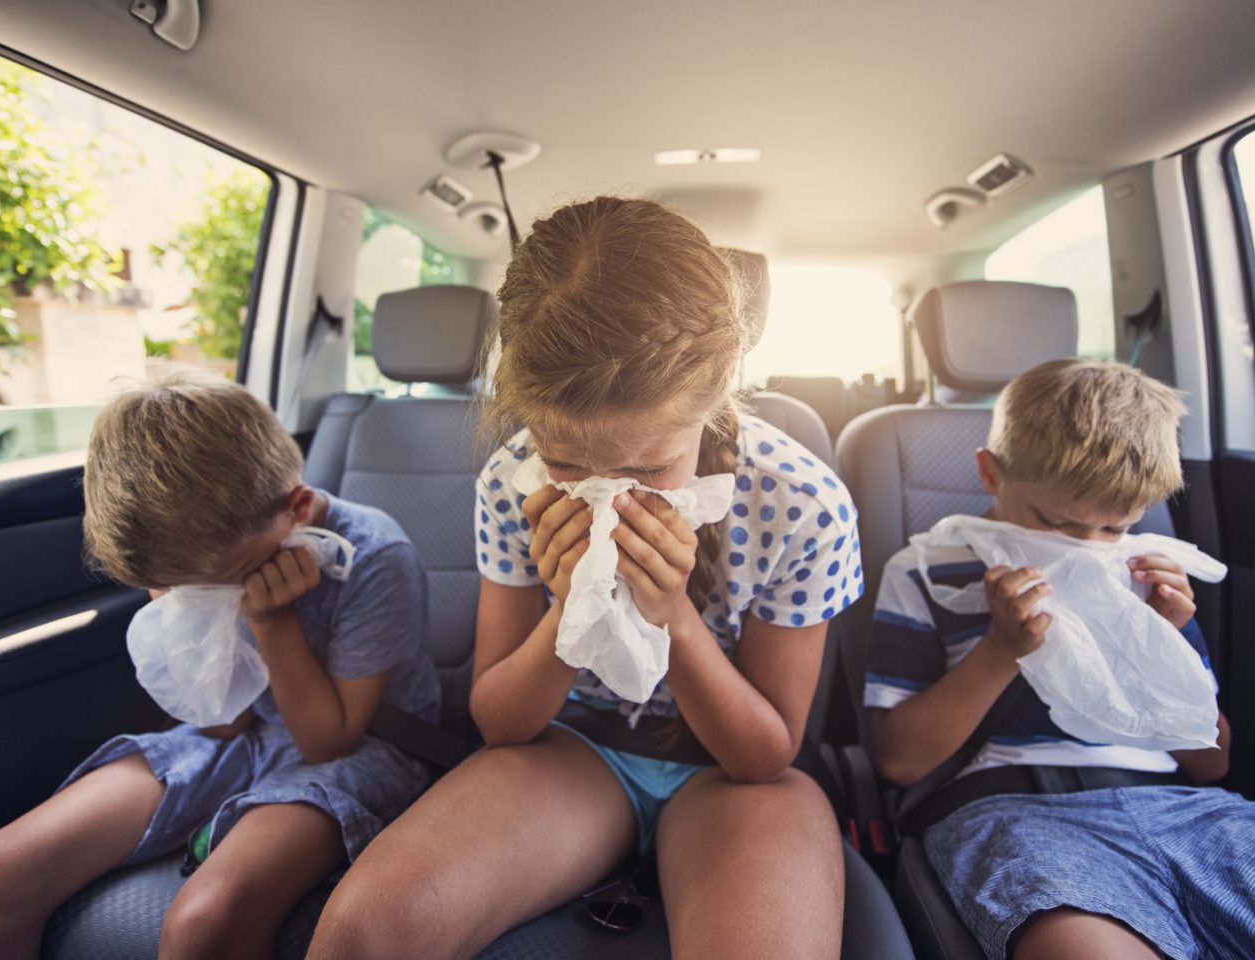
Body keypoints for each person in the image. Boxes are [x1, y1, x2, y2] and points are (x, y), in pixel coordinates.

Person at [307, 197, 863, 960]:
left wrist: (673, 615)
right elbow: (501, 721)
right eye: (568, 465)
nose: (612, 497)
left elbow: (765, 755)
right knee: (360, 936)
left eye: (650, 467)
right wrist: (571, 607)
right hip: (573, 748)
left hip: (731, 777)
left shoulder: (804, 505)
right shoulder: (512, 481)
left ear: (722, 385)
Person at [0, 364, 439, 960]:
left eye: (217, 583)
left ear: (296, 507)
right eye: (178, 590)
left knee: (205, 920)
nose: (200, 599)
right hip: (237, 735)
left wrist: (272, 622)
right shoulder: (189, 557)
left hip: (364, 749)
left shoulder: (375, 556)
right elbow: (220, 722)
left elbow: (329, 742)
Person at [865, 358, 1255, 960]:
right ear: (989, 474)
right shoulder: (924, 572)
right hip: (1013, 811)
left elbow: (1211, 764)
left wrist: (1163, 642)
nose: (1086, 547)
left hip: (1184, 809)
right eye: (1058, 524)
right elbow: (898, 761)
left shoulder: (1143, 575)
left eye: (1116, 528)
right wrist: (1002, 649)